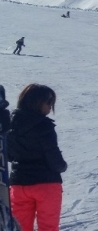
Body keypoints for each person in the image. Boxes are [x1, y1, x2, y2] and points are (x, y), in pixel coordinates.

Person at [7, 84, 67, 231]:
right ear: (37, 102)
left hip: (19, 185)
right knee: (48, 227)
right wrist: (62, 166)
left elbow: (8, 155)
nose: (50, 107)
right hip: (47, 184)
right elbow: (53, 156)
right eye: (48, 102)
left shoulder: (10, 124)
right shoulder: (44, 126)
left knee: (20, 227)